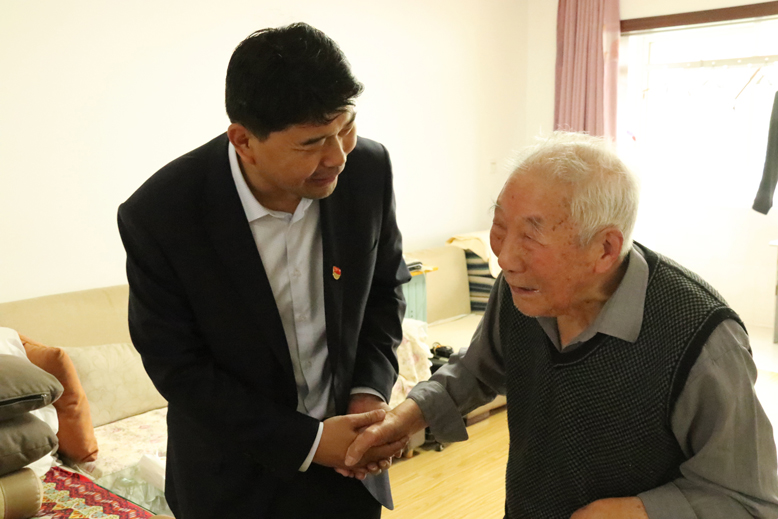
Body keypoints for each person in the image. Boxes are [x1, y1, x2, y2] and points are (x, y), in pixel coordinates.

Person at [346, 131, 778, 519]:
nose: (505, 258)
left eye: (531, 237)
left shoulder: (701, 339)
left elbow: (748, 500)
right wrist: (403, 419)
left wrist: (639, 513)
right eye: (500, 227)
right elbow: (475, 371)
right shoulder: (521, 291)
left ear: (605, 249)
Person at [118, 23, 410, 519]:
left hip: (349, 470)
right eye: (312, 143)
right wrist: (310, 442)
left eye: (346, 128)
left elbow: (385, 290)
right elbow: (178, 368)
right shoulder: (163, 215)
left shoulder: (368, 169)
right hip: (231, 479)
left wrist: (367, 393)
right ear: (244, 141)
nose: (338, 157)